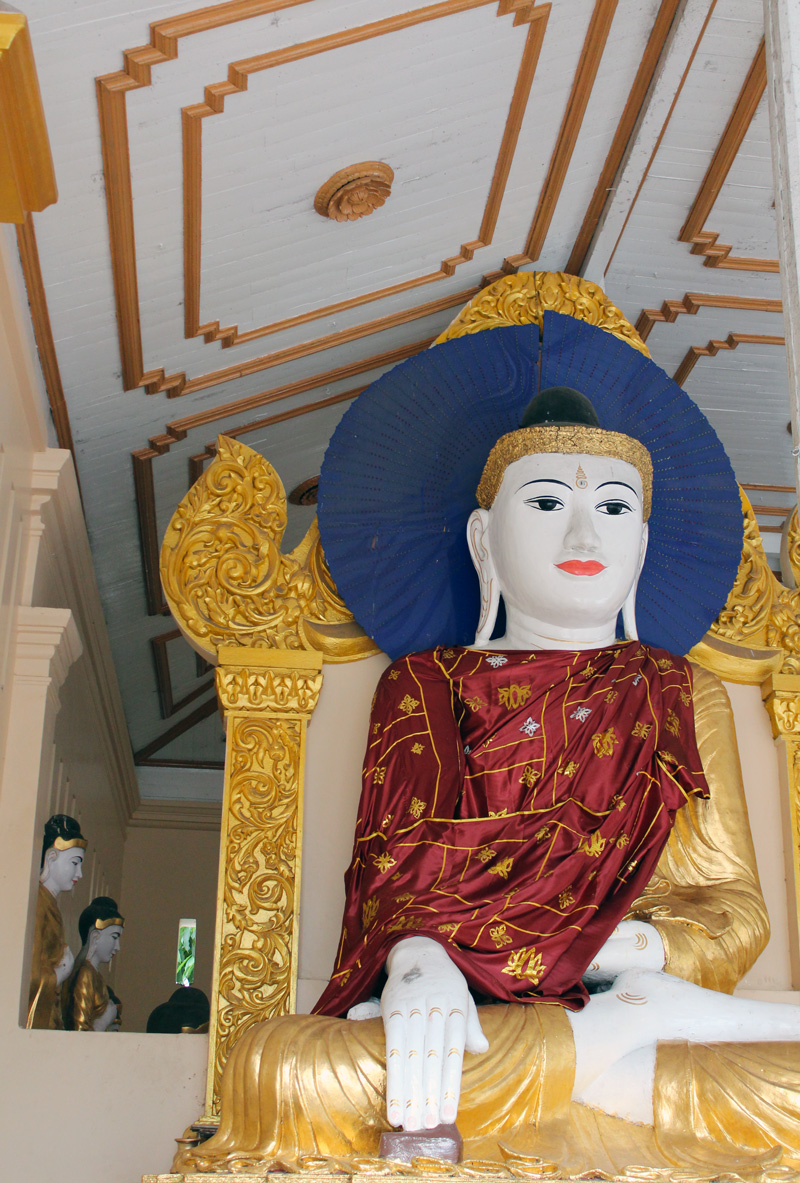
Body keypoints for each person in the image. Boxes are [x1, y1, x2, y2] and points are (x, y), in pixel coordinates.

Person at [175, 318, 800, 1173]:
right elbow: (393, 881)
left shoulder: (678, 690)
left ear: (643, 544)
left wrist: (599, 949)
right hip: (474, 1009)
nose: (585, 538)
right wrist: (425, 956)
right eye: (547, 502)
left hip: (622, 987)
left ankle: (615, 1037)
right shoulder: (425, 686)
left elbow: (732, 911)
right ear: (484, 540)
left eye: (613, 509)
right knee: (280, 1069)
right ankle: (613, 1046)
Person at [27, 814, 87, 1029]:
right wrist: (60, 974)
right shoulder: (38, 904)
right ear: (51, 858)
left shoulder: (50, 905)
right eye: (74, 863)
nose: (79, 874)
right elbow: (30, 975)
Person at [65, 897, 124, 1031]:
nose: (117, 947)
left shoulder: (94, 975)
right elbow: (79, 1031)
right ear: (95, 937)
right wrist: (104, 1021)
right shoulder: (85, 973)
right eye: (114, 937)